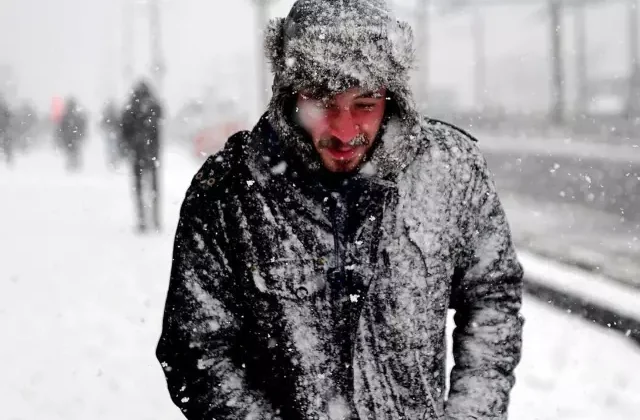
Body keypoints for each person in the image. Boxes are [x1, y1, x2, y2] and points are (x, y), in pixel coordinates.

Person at [156, 1, 524, 419]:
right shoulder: (228, 192)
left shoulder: (451, 171)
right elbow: (196, 351)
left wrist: (472, 413)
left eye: (365, 104)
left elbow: (492, 298)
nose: (344, 131)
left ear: (392, 97)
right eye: (321, 102)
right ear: (290, 95)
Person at [121, 81, 163, 233]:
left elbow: (124, 129)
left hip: (138, 152)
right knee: (153, 187)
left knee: (139, 187)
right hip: (151, 152)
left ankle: (142, 220)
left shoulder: (131, 107)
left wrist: (128, 145)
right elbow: (158, 121)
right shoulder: (153, 106)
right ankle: (155, 220)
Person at [57, 97, 87, 171]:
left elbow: (61, 127)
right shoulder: (76, 115)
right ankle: (74, 165)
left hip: (70, 137)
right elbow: (82, 126)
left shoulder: (66, 115)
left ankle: (73, 165)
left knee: (71, 152)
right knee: (74, 152)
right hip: (74, 137)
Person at [100, 100, 124, 169]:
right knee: (112, 149)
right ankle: (113, 162)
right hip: (113, 134)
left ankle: (112, 162)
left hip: (112, 134)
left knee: (112, 149)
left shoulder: (108, 114)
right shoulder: (114, 114)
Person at [0, 96, 13, 165]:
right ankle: (8, 157)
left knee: (7, 141)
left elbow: (9, 116)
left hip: (4, 128)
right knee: (7, 141)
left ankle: (8, 158)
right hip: (4, 128)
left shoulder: (4, 108)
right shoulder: (4, 108)